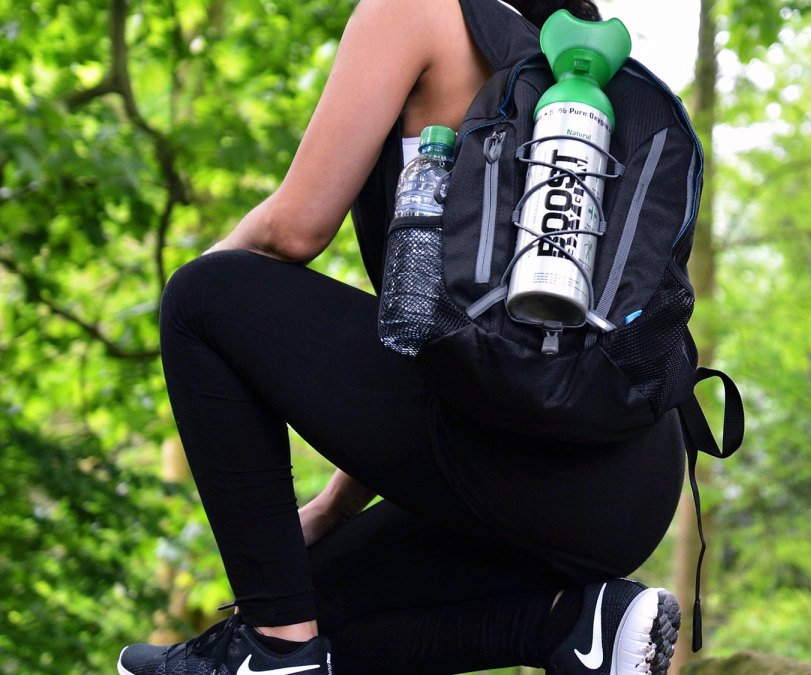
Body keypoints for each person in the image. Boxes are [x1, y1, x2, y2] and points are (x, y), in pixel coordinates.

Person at [115, 0, 687, 673]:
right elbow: (443, 345)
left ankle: (274, 652)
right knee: (308, 596)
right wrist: (334, 507)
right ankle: (572, 625)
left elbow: (292, 231)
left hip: (516, 457)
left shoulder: (414, 9)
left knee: (202, 294)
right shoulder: (565, 71)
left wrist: (195, 304)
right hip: (631, 487)